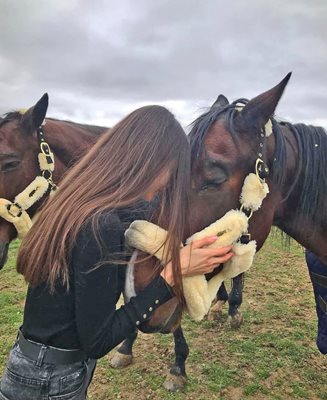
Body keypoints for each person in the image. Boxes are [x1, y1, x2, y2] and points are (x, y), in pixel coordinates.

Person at [0, 105, 233, 400]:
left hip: (32, 366)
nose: (167, 184)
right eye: (171, 172)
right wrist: (171, 275)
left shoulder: (76, 202)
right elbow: (97, 341)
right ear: (151, 164)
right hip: (52, 382)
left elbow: (141, 210)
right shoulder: (101, 227)